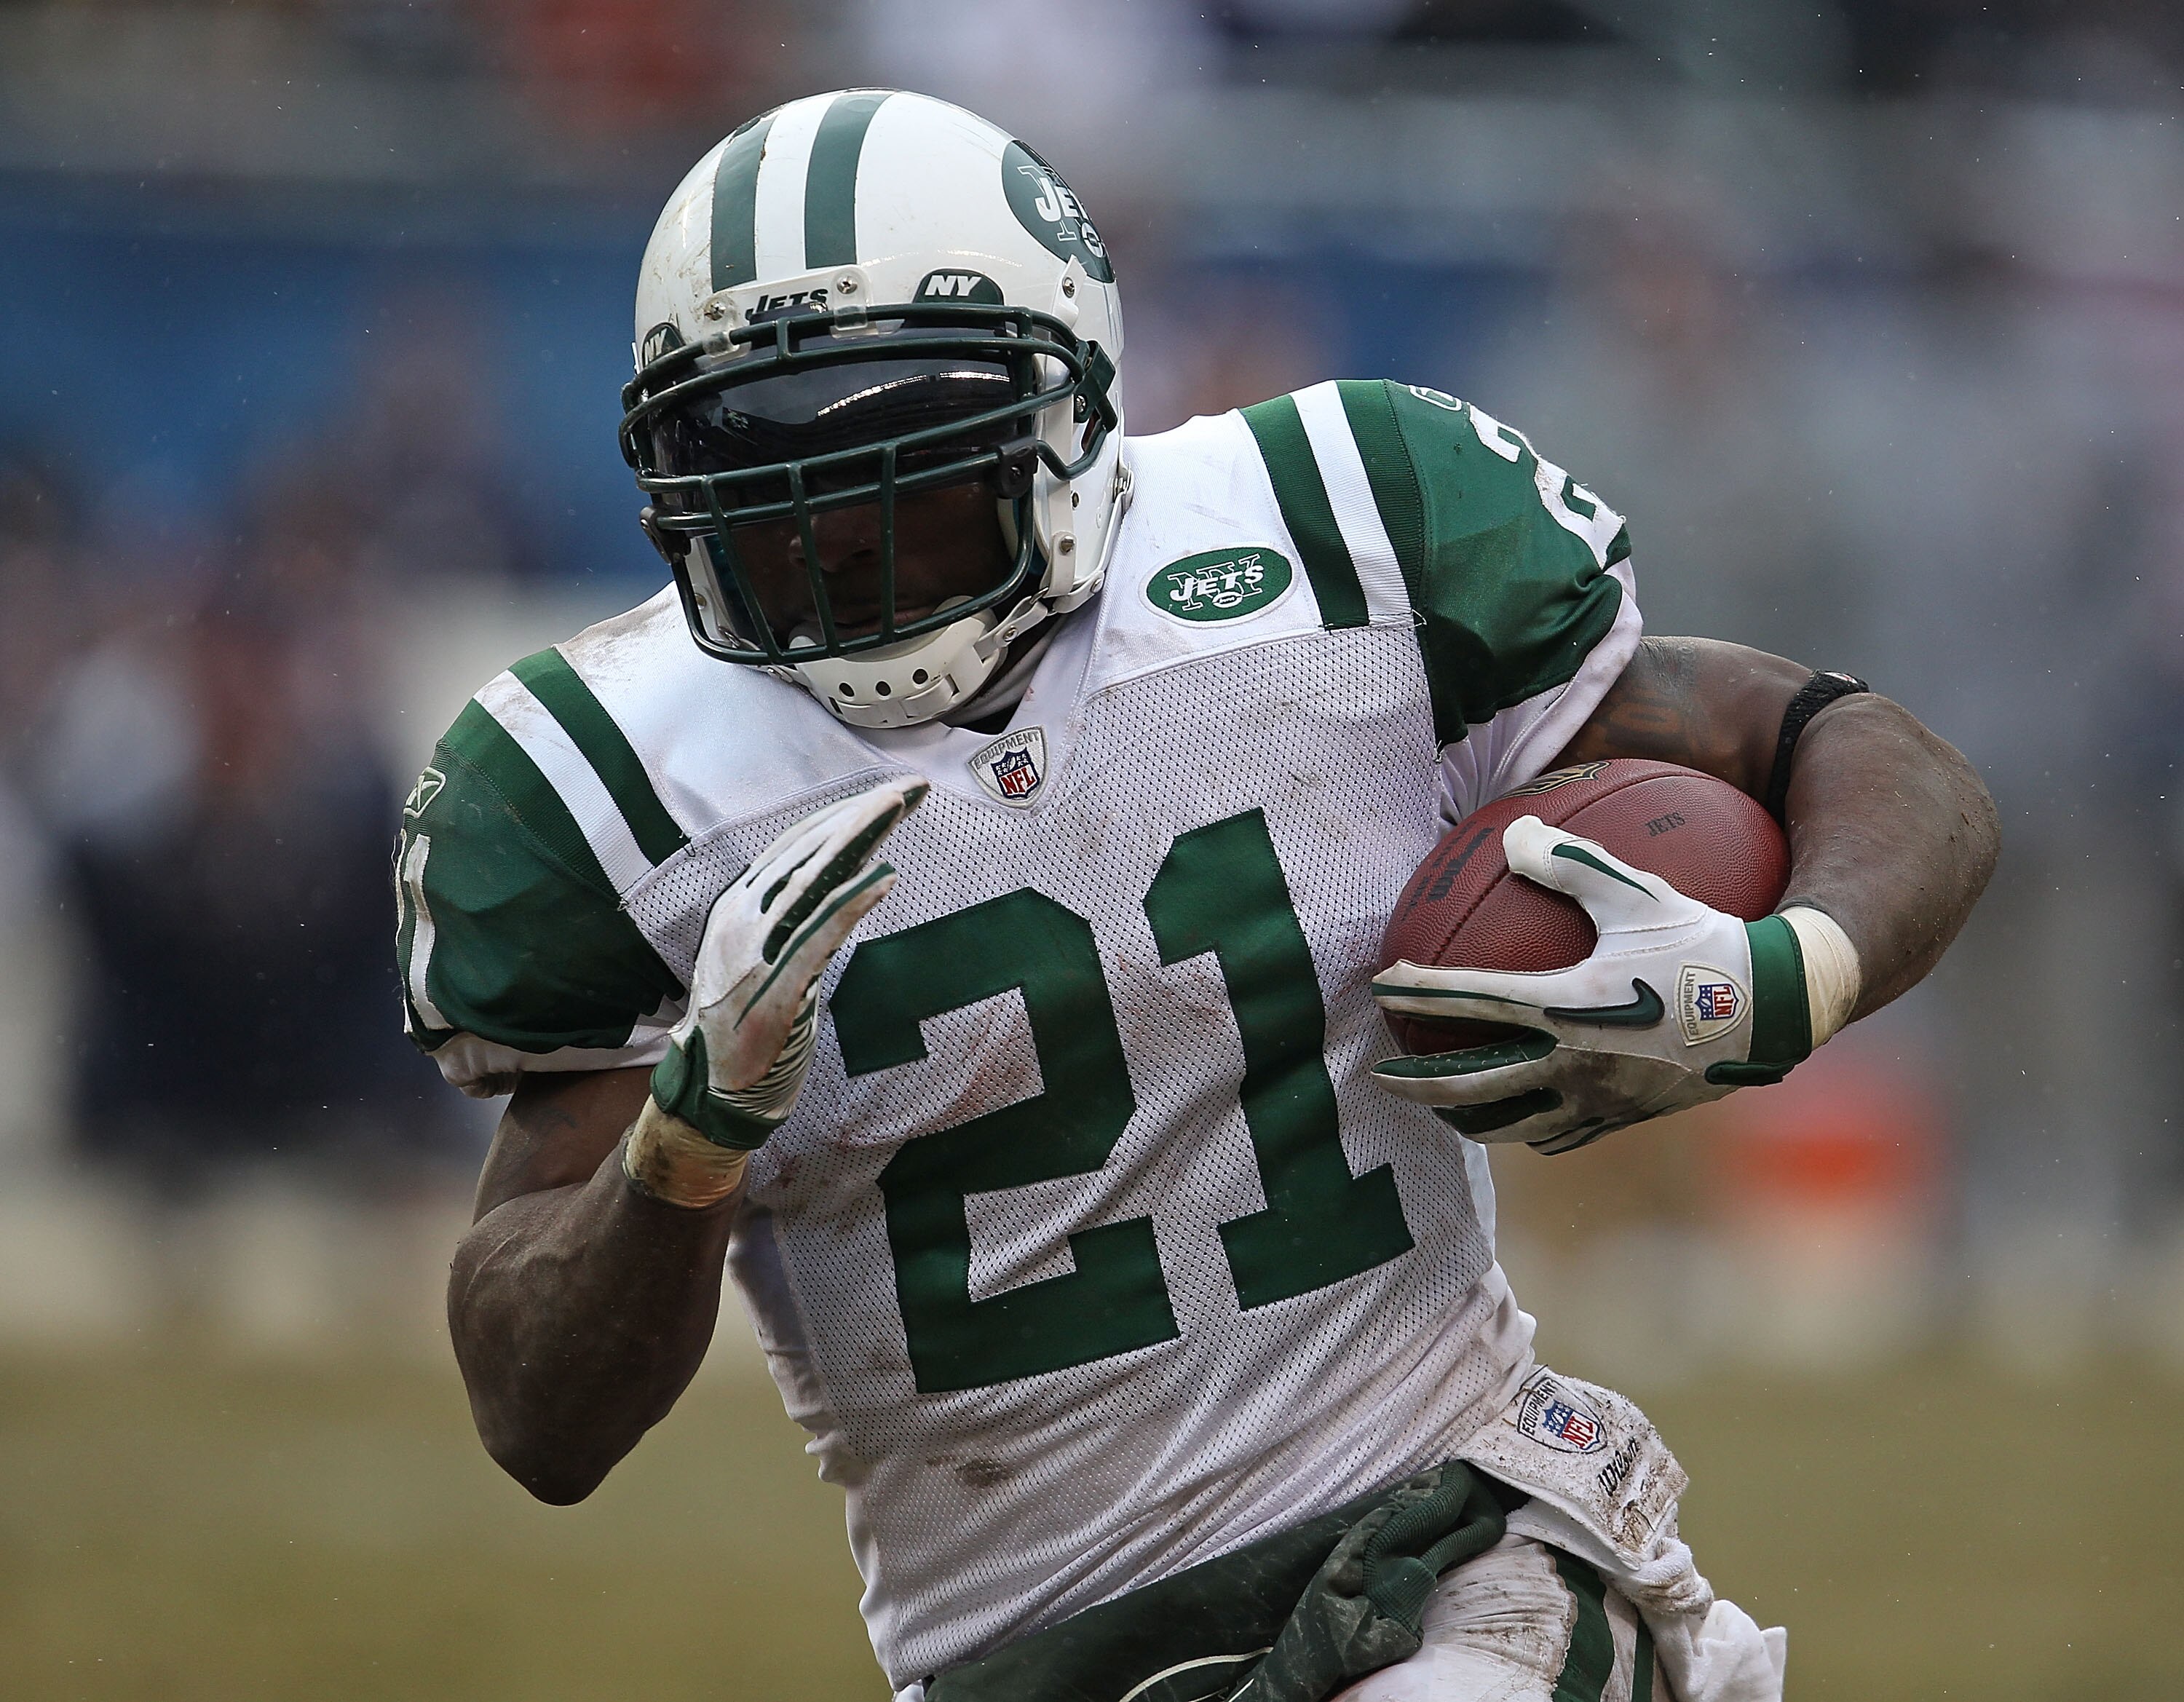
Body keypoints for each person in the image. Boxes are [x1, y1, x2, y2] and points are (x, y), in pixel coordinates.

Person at [404, 91, 1996, 1702]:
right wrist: (685, 1143)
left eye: (911, 470)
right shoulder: (602, 778)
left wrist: (1777, 976)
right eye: (764, 467)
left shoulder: (1334, 524)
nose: (837, 536)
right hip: (1026, 1647)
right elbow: (540, 1417)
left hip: (1444, 1525)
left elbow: (1854, 749)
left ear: (1064, 411)